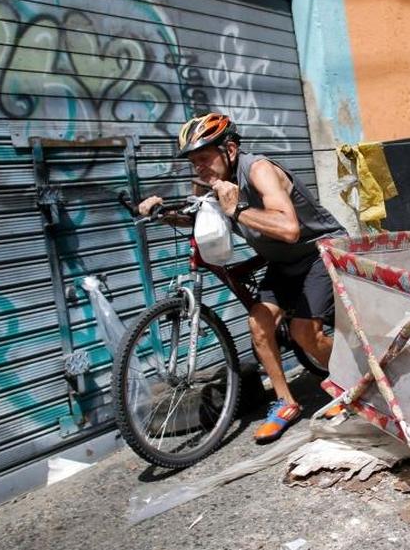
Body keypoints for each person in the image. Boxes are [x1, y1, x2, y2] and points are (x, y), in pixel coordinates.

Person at [138, 113, 345, 443]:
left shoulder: (258, 170)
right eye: (193, 162)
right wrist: (163, 214)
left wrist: (235, 209)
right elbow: (197, 221)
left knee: (303, 332)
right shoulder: (208, 183)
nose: (199, 168)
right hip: (281, 262)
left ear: (230, 150)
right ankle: (286, 403)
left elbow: (290, 229)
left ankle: (355, 387)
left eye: (204, 158)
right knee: (258, 325)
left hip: (319, 252)